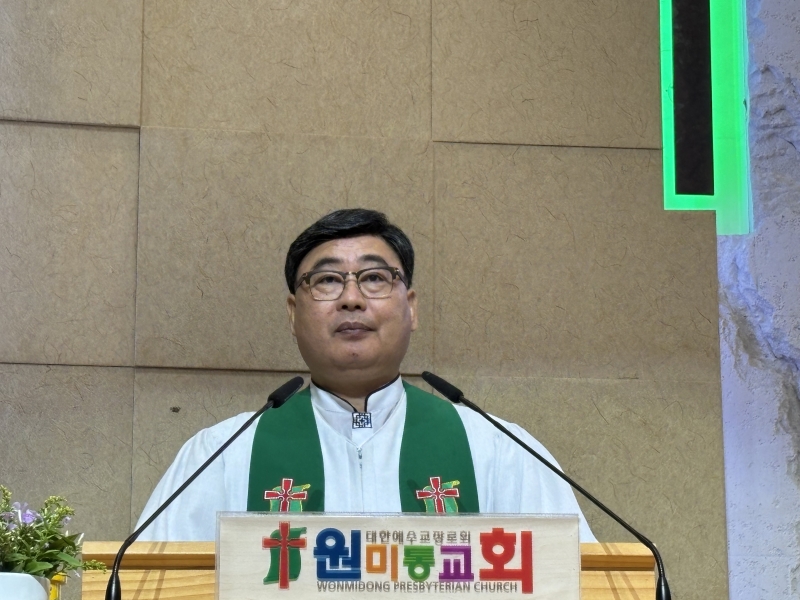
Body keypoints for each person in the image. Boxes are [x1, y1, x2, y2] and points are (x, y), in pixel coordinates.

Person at [136, 208, 596, 542]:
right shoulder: (221, 455)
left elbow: (576, 579)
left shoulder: (497, 450)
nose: (351, 298)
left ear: (411, 308)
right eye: (327, 281)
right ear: (293, 313)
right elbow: (144, 584)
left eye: (375, 278)